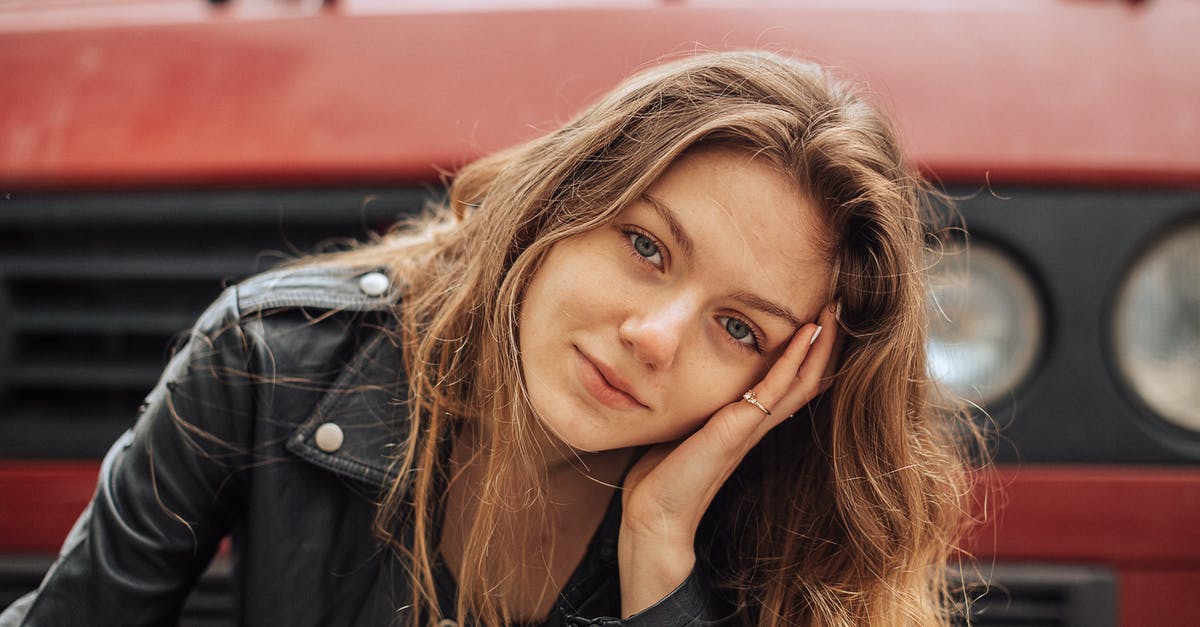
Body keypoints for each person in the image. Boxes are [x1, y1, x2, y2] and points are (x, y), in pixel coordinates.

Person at [1, 51, 978, 626]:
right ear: (561, 202)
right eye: (645, 244)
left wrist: (660, 555)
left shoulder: (770, 517)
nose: (653, 336)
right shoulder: (273, 358)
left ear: (788, 377)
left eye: (737, 327)